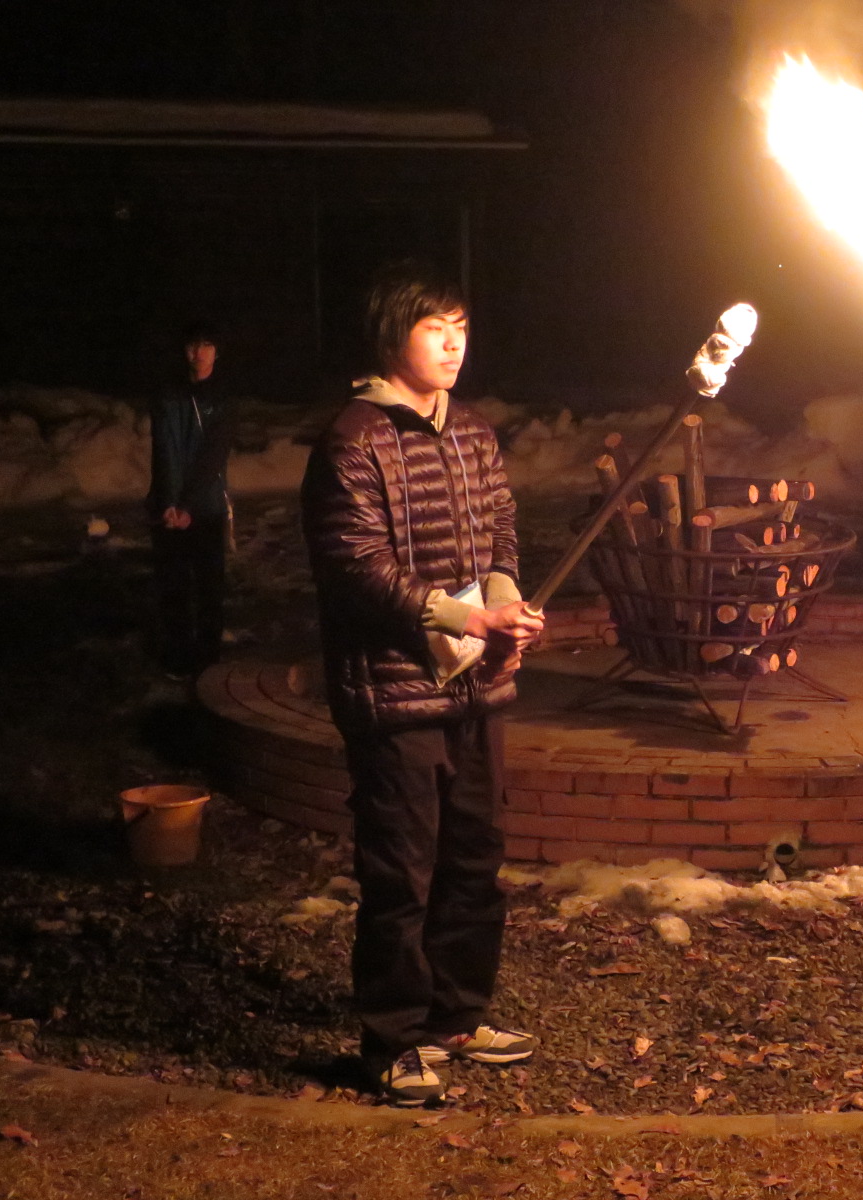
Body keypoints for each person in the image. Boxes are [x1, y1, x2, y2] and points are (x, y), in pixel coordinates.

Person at [300, 265, 544, 1106]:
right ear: (392, 336)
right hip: (396, 692)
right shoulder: (354, 440)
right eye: (436, 327)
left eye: (462, 328)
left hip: (476, 690)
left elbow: (501, 529)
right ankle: (392, 1039)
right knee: (402, 871)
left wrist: (506, 597)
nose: (453, 343)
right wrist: (452, 615)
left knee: (474, 858)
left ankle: (455, 1014)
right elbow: (355, 566)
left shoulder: (471, 432)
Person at [147, 322, 233, 677]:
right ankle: (180, 653)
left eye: (206, 345)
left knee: (209, 583)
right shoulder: (169, 395)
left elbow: (213, 456)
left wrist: (188, 506)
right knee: (174, 585)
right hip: (168, 506)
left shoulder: (223, 398)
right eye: (192, 345)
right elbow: (164, 450)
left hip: (206, 506)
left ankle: (210, 655)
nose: (197, 353)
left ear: (216, 351)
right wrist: (167, 501)